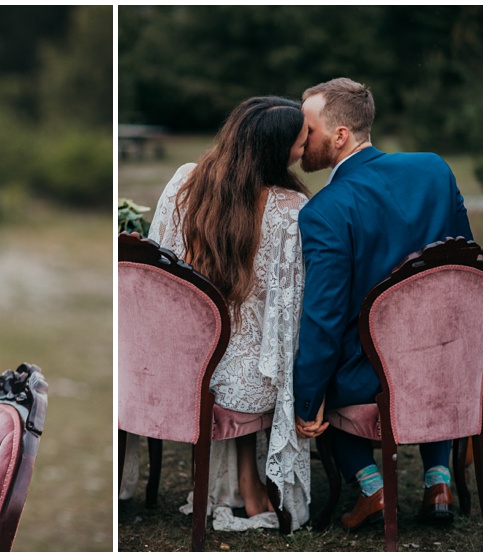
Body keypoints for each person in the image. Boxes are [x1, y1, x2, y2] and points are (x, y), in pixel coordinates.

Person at [291, 78, 474, 530]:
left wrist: (306, 397)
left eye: (307, 130)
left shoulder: (325, 211)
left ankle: (372, 487)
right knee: (427, 359)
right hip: (445, 362)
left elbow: (324, 318)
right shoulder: (434, 170)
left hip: (374, 377)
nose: (300, 140)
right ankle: (438, 480)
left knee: (320, 383)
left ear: (340, 135)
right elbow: (464, 268)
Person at [138, 96, 312, 531]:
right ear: (277, 150)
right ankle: (251, 486)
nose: (307, 145)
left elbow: (162, 269)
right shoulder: (291, 209)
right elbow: (293, 307)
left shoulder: (185, 181)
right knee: (274, 356)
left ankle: (244, 483)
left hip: (184, 356)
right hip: (248, 377)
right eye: (301, 138)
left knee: (242, 347)